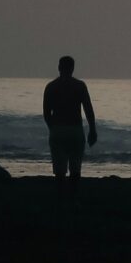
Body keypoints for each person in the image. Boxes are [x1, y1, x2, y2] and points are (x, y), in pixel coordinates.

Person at [42, 55, 97, 188]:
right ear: (72, 69)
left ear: (59, 67)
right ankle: (73, 197)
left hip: (58, 129)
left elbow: (46, 113)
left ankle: (61, 199)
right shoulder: (79, 86)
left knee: (59, 171)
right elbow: (88, 109)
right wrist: (92, 130)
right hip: (75, 129)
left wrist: (52, 128)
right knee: (75, 169)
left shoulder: (51, 86)